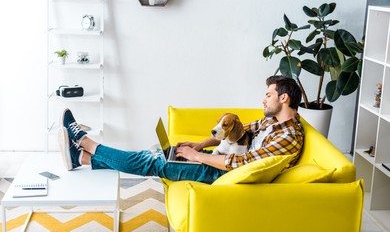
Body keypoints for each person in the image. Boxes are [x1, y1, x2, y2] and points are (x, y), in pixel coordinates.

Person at [58, 75, 304, 184]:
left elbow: (245, 163)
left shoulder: (288, 136)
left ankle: (85, 142)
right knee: (156, 154)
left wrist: (197, 157)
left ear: (283, 99)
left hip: (222, 174)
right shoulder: (272, 122)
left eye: (268, 95)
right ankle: (81, 157)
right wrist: (199, 146)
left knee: (151, 162)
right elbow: (236, 133)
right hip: (218, 163)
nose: (263, 99)